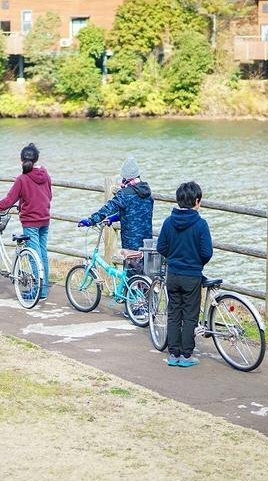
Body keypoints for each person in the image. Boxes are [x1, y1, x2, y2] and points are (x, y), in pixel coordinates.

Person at [0, 143, 52, 299]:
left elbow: (7, 202)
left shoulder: (22, 179)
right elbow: (49, 196)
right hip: (45, 220)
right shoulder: (46, 175)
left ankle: (37, 292)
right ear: (37, 159)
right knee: (43, 254)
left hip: (31, 222)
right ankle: (44, 290)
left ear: (22, 160)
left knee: (34, 256)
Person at [156, 181, 212, 368]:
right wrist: (197, 264)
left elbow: (161, 247)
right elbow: (207, 252)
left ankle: (173, 354)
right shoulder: (201, 224)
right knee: (189, 316)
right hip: (192, 276)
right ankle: (186, 355)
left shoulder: (168, 222)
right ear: (197, 201)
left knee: (174, 314)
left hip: (173, 274)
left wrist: (173, 258)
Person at [78, 157, 154, 273]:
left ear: (125, 177)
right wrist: (113, 218)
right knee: (143, 273)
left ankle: (130, 291)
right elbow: (133, 211)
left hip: (131, 240)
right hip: (146, 240)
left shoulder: (125, 194)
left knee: (131, 275)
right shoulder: (147, 193)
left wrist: (91, 220)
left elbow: (108, 208)